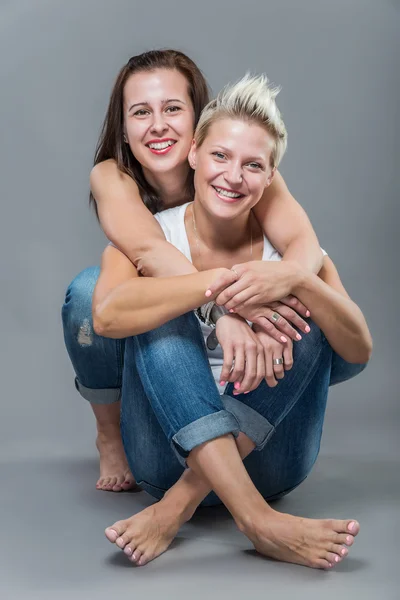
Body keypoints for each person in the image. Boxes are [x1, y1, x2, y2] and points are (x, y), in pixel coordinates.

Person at [92, 74, 372, 569]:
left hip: (272, 462)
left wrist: (298, 282)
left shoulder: (289, 253)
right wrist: (219, 299)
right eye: (220, 156)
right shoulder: (150, 239)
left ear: (269, 180)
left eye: (252, 166)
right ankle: (258, 523)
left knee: (308, 314)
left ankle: (178, 505)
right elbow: (108, 315)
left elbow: (358, 351)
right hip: (164, 456)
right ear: (194, 154)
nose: (233, 176)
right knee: (159, 312)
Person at [62, 49, 326, 492]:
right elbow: (149, 249)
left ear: (197, 120)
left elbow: (306, 246)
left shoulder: (234, 167)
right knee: (89, 293)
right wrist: (226, 313)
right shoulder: (112, 176)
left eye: (173, 109)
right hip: (164, 348)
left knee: (313, 307)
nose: (158, 125)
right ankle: (110, 434)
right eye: (141, 112)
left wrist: (279, 306)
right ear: (124, 130)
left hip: (246, 360)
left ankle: (237, 432)